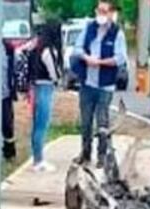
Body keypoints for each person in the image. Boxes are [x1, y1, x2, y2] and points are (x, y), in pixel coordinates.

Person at [70, 1, 127, 167]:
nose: (101, 14)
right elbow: (77, 49)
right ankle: (85, 154)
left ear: (111, 13)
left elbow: (120, 58)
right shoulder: (89, 28)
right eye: (99, 10)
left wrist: (101, 62)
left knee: (102, 122)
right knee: (86, 121)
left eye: (105, 11)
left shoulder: (117, 34)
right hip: (87, 83)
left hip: (105, 85)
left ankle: (102, 156)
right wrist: (88, 59)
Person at [30, 22, 63, 172]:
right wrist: (59, 79)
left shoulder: (37, 47)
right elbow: (54, 73)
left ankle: (37, 158)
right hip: (45, 87)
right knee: (42, 125)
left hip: (36, 86)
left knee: (37, 125)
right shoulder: (48, 51)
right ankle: (39, 161)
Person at [2, 39, 18, 160]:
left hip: (5, 93)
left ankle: (9, 152)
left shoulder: (8, 48)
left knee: (7, 124)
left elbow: (12, 70)